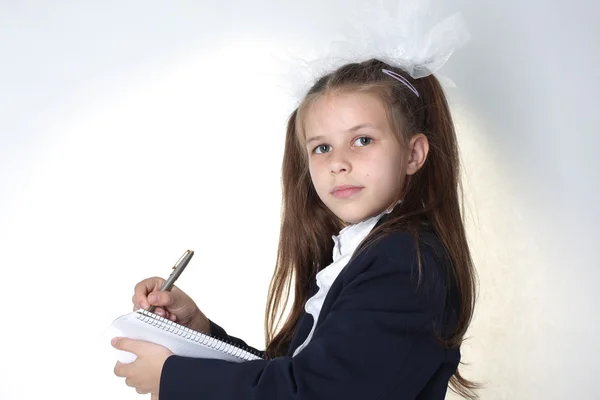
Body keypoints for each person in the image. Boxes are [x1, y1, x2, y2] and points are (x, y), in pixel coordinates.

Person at [111, 57, 479, 399]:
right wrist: (200, 331)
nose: (339, 163)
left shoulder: (402, 261)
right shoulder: (369, 252)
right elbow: (297, 376)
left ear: (413, 154)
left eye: (362, 140)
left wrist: (174, 377)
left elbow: (313, 393)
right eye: (321, 148)